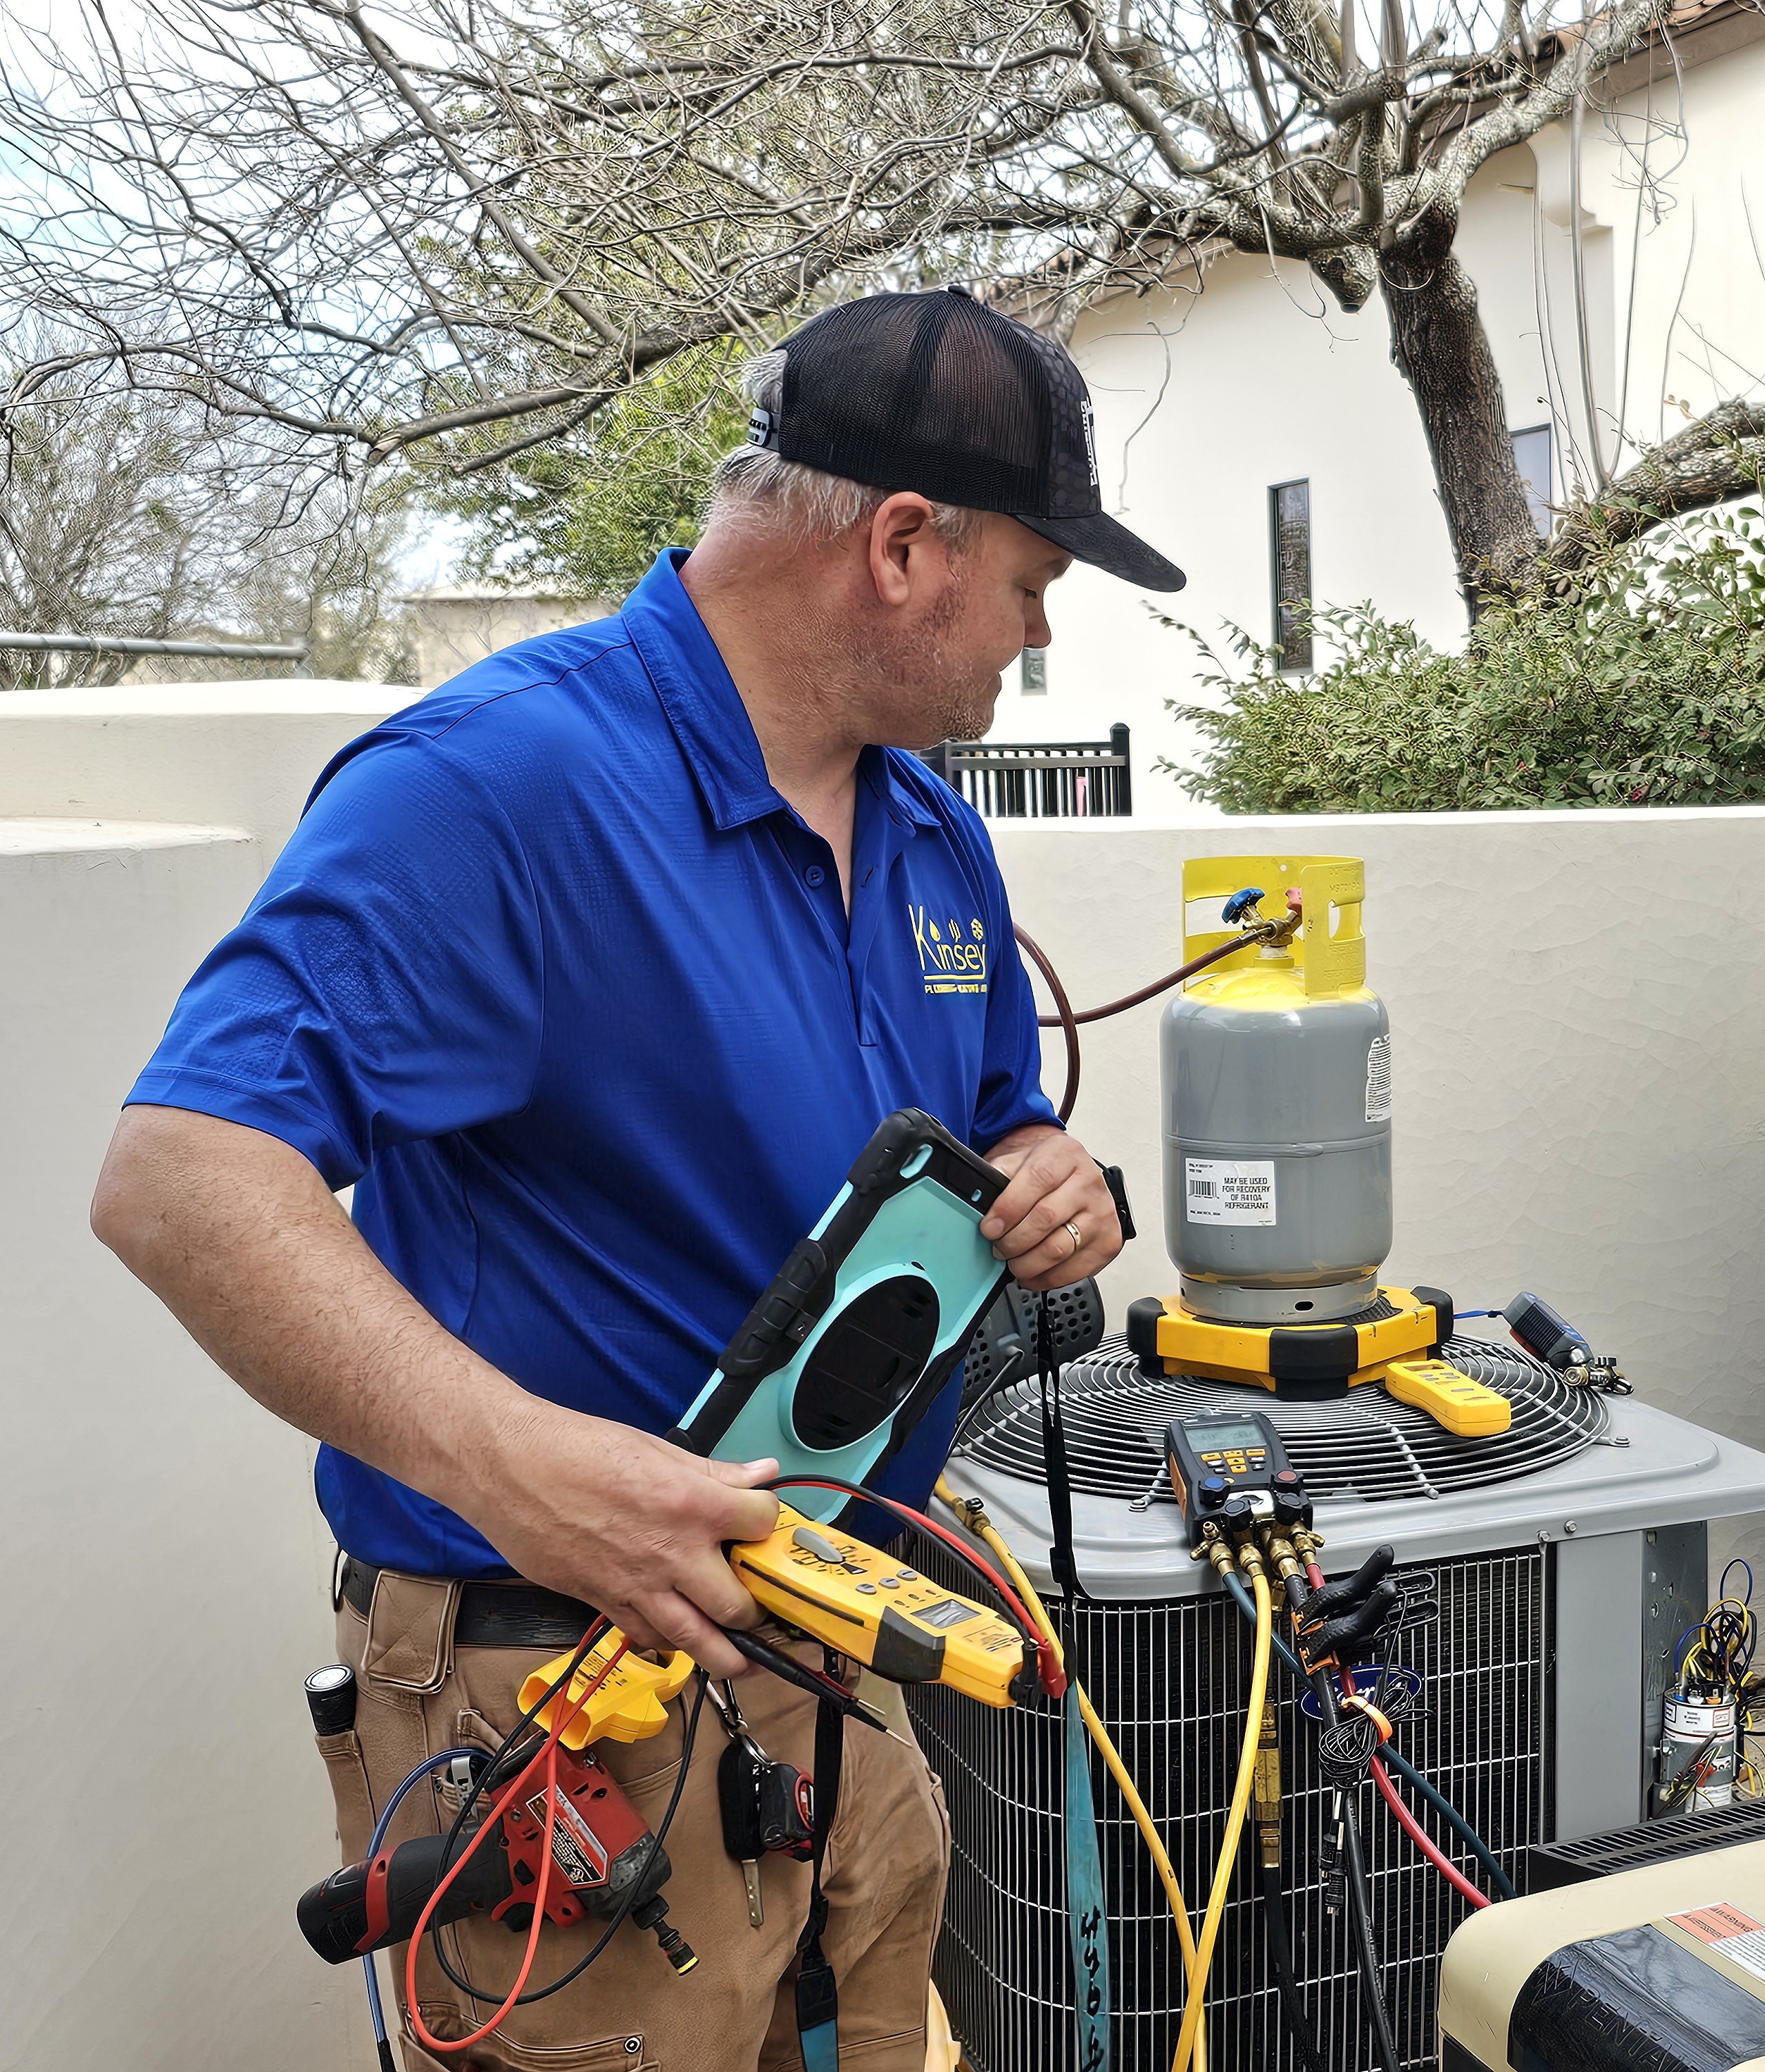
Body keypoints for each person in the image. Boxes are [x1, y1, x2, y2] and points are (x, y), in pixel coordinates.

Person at [90, 288, 1182, 2071]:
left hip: (837, 1684)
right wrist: (525, 1474)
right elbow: (181, 1176)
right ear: (904, 547)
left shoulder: (931, 834)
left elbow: (993, 1119)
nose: (1036, 639)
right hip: (560, 1697)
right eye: (1032, 587)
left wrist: (1049, 1170)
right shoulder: (499, 788)